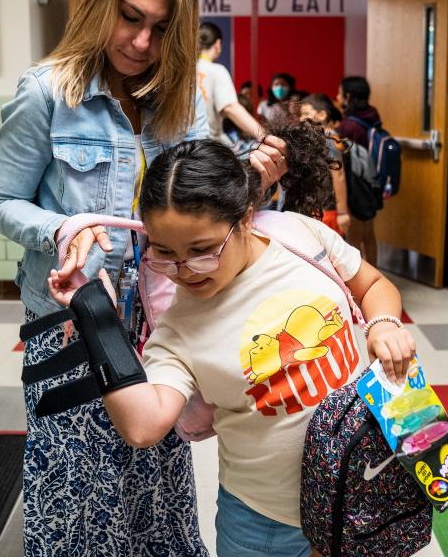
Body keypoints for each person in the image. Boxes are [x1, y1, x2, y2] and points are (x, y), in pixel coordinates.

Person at [0, 0, 287, 556]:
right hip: (72, 328)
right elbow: (2, 202)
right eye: (131, 18)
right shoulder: (47, 91)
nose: (142, 43)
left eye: (161, 28)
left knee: (154, 500)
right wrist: (61, 227)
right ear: (103, 2)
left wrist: (252, 174)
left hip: (161, 331)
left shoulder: (181, 101)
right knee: (79, 510)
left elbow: (203, 198)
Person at [48, 125, 416, 557]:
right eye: (165, 253)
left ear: (243, 218)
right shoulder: (179, 326)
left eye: (203, 249)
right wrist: (97, 319)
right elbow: (144, 427)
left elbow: (372, 285)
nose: (186, 270)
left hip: (361, 490)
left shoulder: (298, 236)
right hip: (268, 523)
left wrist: (384, 324)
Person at [335, 76, 381, 265]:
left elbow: (343, 157)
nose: (337, 97)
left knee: (354, 237)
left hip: (355, 183)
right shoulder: (372, 116)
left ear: (348, 96)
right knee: (369, 232)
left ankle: (362, 284)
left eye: (339, 93)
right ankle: (376, 272)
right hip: (370, 181)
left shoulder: (349, 125)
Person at [197, 22, 265, 145]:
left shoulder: (181, 71)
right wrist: (263, 135)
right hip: (204, 149)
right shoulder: (216, 70)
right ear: (217, 44)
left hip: (175, 149)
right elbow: (229, 108)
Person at [299, 93, 351, 236]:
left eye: (305, 114)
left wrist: (342, 212)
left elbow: (338, 175)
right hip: (317, 209)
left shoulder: (329, 140)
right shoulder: (316, 139)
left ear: (322, 115)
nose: (301, 118)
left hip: (329, 210)